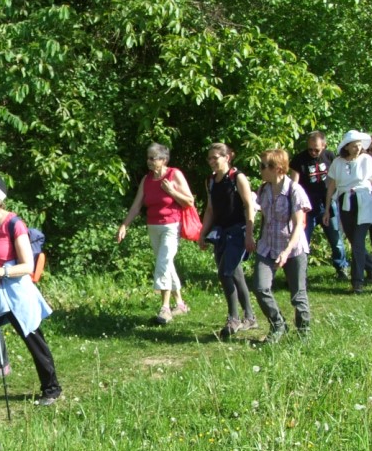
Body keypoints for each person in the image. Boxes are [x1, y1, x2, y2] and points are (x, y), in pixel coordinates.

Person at [0, 175, 63, 406]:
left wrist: (1, 272)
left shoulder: (14, 224)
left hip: (15, 295)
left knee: (33, 340)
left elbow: (28, 265)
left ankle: (51, 389)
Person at [116, 144, 194, 324]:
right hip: (153, 227)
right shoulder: (147, 179)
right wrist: (124, 225)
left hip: (171, 226)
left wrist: (172, 191)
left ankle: (165, 308)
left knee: (163, 262)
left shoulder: (175, 174)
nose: (149, 161)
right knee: (167, 264)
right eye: (148, 158)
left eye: (153, 158)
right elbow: (137, 205)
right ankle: (180, 304)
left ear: (164, 160)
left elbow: (189, 201)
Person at [197, 144, 258, 340]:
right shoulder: (210, 181)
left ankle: (233, 318)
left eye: (216, 157)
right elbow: (210, 209)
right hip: (220, 233)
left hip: (238, 231)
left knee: (226, 273)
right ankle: (250, 317)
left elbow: (249, 205)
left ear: (227, 158)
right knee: (236, 275)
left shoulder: (237, 177)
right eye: (209, 158)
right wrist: (202, 233)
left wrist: (249, 234)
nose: (212, 161)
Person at [253, 150, 312, 343]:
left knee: (298, 295)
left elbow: (298, 226)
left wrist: (286, 252)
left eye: (263, 166)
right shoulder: (264, 189)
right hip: (267, 247)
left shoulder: (294, 191)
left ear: (277, 168)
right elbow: (263, 218)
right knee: (261, 287)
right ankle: (278, 325)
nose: (260, 170)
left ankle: (304, 333)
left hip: (293, 249)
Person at [323, 130, 372, 293]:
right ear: (347, 146)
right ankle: (371, 266)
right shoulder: (338, 162)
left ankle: (357, 282)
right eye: (354, 146)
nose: (357, 148)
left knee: (358, 242)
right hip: (346, 202)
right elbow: (332, 186)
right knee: (354, 241)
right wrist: (327, 209)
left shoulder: (367, 160)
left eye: (359, 145)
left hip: (363, 201)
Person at [289, 131, 349, 281]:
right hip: (307, 208)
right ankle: (299, 275)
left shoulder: (330, 157)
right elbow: (294, 184)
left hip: (327, 204)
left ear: (324, 146)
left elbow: (337, 178)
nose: (313, 152)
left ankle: (342, 268)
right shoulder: (299, 160)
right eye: (310, 149)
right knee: (303, 242)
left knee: (336, 240)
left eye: (316, 149)